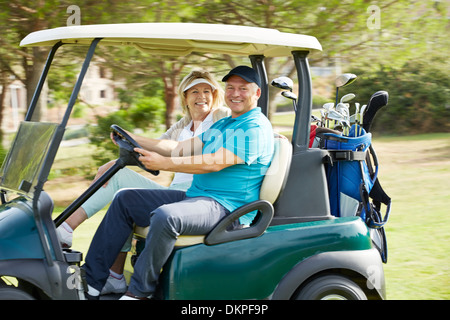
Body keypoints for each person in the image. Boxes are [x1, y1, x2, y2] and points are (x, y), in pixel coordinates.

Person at [82, 65, 274, 300]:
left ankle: (138, 293)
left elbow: (213, 162)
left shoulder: (253, 127)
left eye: (243, 89)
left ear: (257, 93)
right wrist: (132, 139)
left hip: (227, 208)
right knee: (126, 199)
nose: (235, 93)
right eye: (231, 88)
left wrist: (163, 163)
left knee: (167, 216)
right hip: (198, 197)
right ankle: (91, 282)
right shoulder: (224, 124)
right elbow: (178, 148)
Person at [56, 70, 229, 294]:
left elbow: (244, 123)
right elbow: (157, 146)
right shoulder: (182, 127)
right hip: (175, 193)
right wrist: (116, 159)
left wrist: (271, 133)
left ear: (215, 95)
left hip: (198, 199)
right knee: (120, 185)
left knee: (123, 191)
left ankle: (65, 230)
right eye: (195, 91)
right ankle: (115, 275)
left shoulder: (220, 117)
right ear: (185, 97)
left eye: (207, 91)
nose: (202, 96)